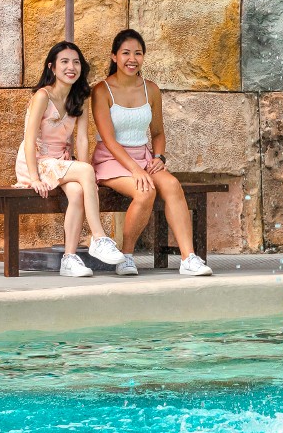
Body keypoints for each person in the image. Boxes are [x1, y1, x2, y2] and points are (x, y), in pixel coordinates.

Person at [91, 28, 212, 277]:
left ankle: (188, 258)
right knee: (145, 191)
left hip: (144, 157)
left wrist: (158, 158)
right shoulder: (101, 91)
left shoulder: (151, 89)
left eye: (138, 53)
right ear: (114, 56)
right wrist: (135, 170)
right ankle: (126, 257)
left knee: (172, 185)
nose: (131, 59)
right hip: (111, 158)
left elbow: (157, 132)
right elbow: (110, 140)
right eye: (125, 53)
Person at [18, 41, 124, 278]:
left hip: (61, 163)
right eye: (64, 62)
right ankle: (98, 237)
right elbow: (29, 138)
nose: (71, 67)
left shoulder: (80, 98)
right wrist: (34, 177)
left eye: (76, 62)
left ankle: (69, 258)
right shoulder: (42, 96)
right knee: (86, 173)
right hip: (36, 161)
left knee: (77, 191)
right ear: (52, 67)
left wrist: (83, 172)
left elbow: (83, 140)